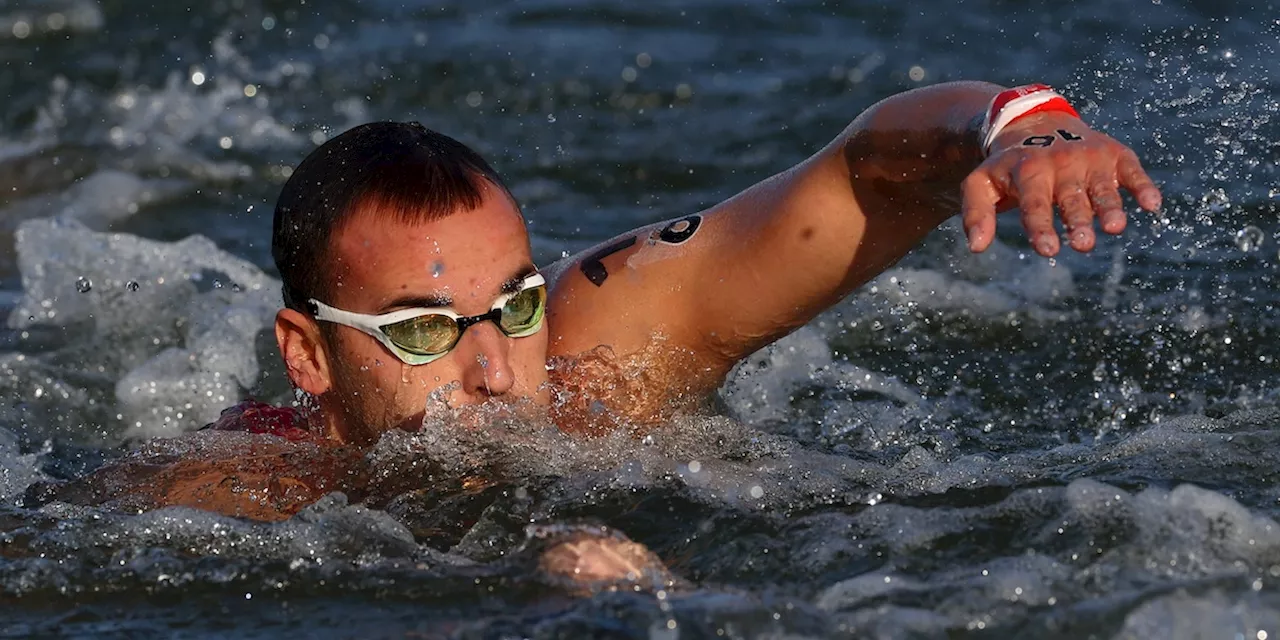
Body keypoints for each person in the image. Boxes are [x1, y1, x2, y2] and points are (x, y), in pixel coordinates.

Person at [33, 81, 1160, 579]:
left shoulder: (609, 349)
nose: (491, 369)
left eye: (514, 306)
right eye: (424, 330)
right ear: (306, 353)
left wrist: (1018, 125)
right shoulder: (231, 498)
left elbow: (861, 173)